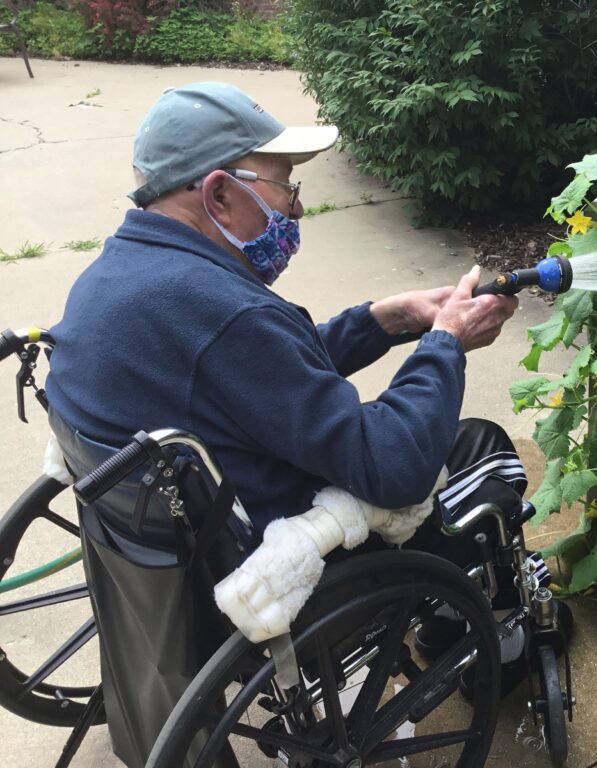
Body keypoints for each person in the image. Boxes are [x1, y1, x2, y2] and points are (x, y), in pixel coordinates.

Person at [45, 81, 568, 767]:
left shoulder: (121, 277)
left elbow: (261, 375)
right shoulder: (225, 312)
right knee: (482, 450)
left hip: (173, 545)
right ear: (219, 194)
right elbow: (395, 465)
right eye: (286, 189)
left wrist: (389, 319)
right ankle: (457, 623)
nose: (297, 208)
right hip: (279, 561)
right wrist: (444, 345)